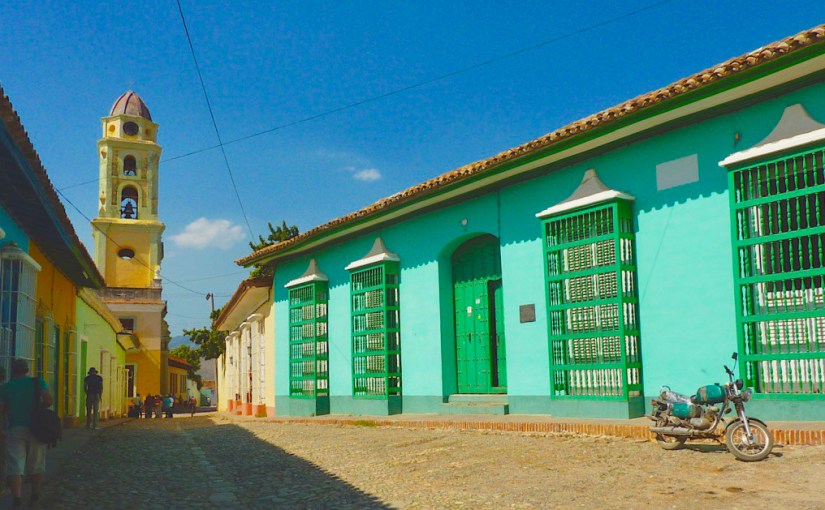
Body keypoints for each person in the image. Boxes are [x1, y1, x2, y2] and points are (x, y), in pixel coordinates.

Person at [0, 359, 53, 509]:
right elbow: (49, 400)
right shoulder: (38, 382)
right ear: (27, 369)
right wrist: (38, 408)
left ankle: (17, 498)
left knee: (15, 464)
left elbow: (1, 410)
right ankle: (35, 495)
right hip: (36, 428)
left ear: (13, 370)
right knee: (36, 463)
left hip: (15, 428)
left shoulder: (5, 388)